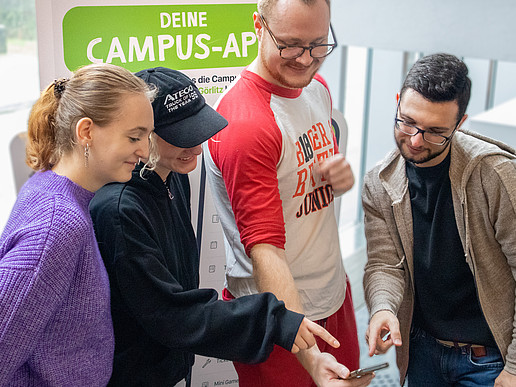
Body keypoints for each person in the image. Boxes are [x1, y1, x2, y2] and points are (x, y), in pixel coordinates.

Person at [89, 67, 344, 387]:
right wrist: (273, 319)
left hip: (166, 366)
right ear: (143, 133)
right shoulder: (119, 211)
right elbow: (170, 315)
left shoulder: (170, 173)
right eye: (182, 138)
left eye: (198, 133)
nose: (196, 148)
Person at [203, 0, 367, 386]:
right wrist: (310, 356)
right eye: (292, 44)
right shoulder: (246, 124)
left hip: (332, 294)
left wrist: (335, 177)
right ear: (258, 24)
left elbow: (299, 178)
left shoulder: (316, 89)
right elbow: (265, 251)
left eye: (319, 44)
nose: (307, 60)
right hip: (278, 319)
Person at [362, 53, 516, 386]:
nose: (415, 140)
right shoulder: (379, 182)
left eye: (435, 132)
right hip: (423, 350)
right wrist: (383, 307)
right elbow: (384, 265)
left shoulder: (496, 175)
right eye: (407, 121)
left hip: (488, 358)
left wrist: (514, 367)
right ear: (398, 101)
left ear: (460, 124)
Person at [0, 63, 155, 385]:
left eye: (147, 136)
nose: (144, 150)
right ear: (86, 132)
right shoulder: (57, 227)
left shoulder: (52, 188)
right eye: (134, 137)